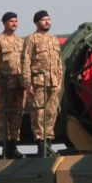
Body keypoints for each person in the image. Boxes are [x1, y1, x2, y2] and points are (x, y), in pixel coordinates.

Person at [21, 10, 63, 157]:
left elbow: (58, 63)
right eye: (44, 20)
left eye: (49, 19)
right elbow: (25, 61)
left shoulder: (54, 40)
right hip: (38, 83)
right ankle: (41, 146)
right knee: (38, 114)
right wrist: (27, 82)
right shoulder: (31, 39)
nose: (47, 22)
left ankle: (48, 144)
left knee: (51, 114)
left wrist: (59, 82)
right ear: (37, 22)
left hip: (53, 83)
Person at [0, 11, 25, 159]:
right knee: (4, 117)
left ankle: (14, 147)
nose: (14, 24)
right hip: (5, 85)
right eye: (11, 21)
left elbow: (25, 62)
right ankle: (5, 148)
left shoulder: (21, 41)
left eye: (16, 21)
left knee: (17, 116)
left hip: (19, 85)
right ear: (4, 23)